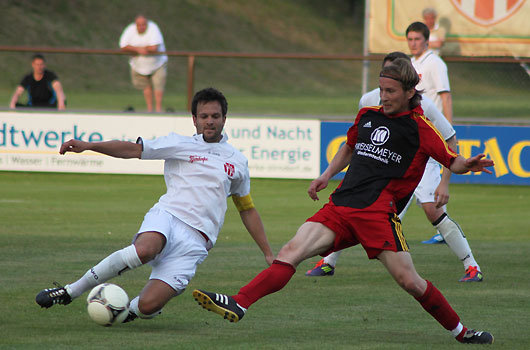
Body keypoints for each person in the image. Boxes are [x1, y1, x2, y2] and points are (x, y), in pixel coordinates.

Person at [192, 59, 494, 345]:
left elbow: (451, 161)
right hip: (340, 206)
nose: (383, 97)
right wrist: (326, 175)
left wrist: (469, 164)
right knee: (290, 252)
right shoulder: (367, 116)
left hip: (377, 215)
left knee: (410, 282)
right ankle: (240, 302)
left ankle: (462, 332)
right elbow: (350, 147)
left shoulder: (421, 128)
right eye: (381, 90)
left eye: (390, 91)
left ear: (409, 92)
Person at [35, 87, 274, 323]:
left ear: (224, 119)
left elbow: (247, 208)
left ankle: (132, 310)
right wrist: (90, 146)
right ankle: (69, 291)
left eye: (215, 116)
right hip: (168, 216)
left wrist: (268, 253)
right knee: (145, 249)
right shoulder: (179, 144)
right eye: (204, 116)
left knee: (148, 305)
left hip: (197, 242)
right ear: (194, 120)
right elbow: (132, 149)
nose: (210, 122)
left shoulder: (238, 162)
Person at [307, 52, 483, 283]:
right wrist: (328, 174)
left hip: (421, 164)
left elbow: (450, 138)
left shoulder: (425, 106)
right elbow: (356, 141)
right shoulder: (368, 101)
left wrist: (444, 182)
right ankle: (328, 261)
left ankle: (471, 265)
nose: (387, 89)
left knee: (432, 211)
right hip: (385, 169)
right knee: (359, 209)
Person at [407, 21, 460, 247]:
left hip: (433, 131)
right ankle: (444, 228)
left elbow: (445, 95)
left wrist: (448, 128)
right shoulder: (409, 63)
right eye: (410, 39)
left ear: (427, 41)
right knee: (424, 187)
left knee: (424, 186)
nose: (413, 43)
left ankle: (444, 228)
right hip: (413, 131)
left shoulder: (434, 63)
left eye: (417, 39)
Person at [119, 15, 168, 112]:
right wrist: (139, 49)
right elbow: (123, 46)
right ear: (135, 25)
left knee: (158, 86)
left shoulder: (153, 28)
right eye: (139, 25)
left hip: (157, 64)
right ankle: (149, 110)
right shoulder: (130, 30)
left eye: (144, 25)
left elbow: (154, 47)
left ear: (147, 24)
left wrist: (136, 49)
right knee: (146, 86)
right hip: (139, 66)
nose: (141, 27)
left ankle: (158, 110)